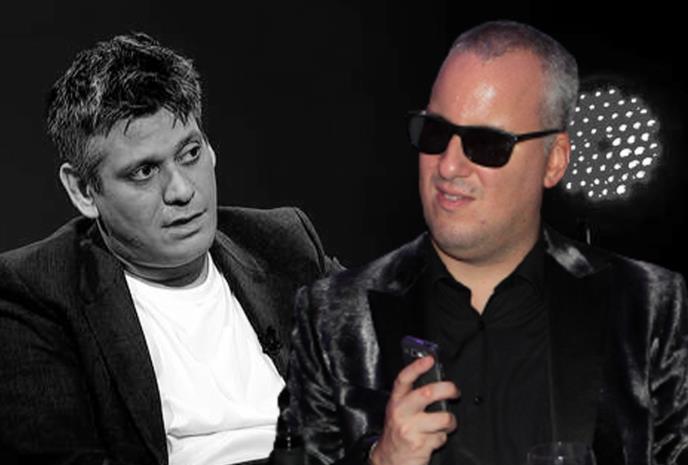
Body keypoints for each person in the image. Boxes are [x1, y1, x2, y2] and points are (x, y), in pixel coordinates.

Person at [287, 20, 688, 465]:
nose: (449, 166)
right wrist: (381, 460)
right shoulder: (332, 318)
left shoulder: (651, 307)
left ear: (554, 160)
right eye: (435, 133)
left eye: (487, 143)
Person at [0, 33, 337, 465]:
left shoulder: (283, 243)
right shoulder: (34, 295)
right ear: (83, 190)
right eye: (144, 171)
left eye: (190, 153)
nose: (181, 190)